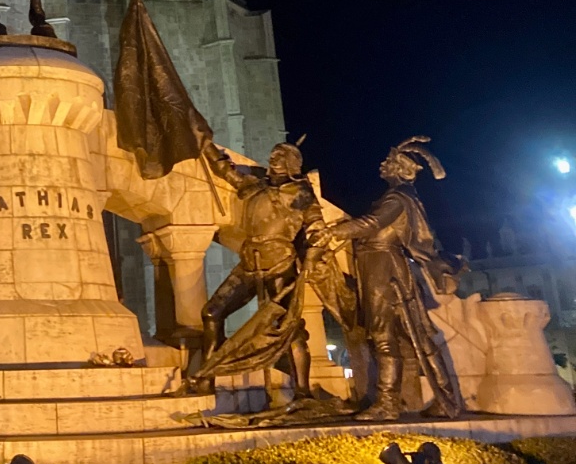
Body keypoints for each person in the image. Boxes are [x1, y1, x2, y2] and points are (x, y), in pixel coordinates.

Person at [329, 136, 463, 421]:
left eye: (389, 162)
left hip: (382, 267)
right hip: (384, 266)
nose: (383, 165)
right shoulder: (403, 195)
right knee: (417, 337)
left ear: (400, 169)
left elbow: (372, 223)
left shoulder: (396, 198)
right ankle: (446, 399)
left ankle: (388, 402)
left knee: (383, 335)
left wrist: (334, 232)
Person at [190, 135, 329, 399]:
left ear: (292, 163)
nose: (273, 159)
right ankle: (207, 379)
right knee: (211, 313)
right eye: (273, 154)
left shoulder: (300, 192)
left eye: (280, 156)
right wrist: (204, 143)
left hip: (279, 266)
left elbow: (317, 229)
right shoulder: (254, 186)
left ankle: (302, 391)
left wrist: (312, 256)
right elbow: (225, 170)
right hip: (249, 264)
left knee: (289, 327)